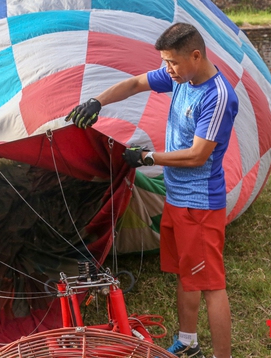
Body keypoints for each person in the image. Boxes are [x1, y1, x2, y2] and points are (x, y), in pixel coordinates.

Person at [66, 23, 238, 358]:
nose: (167, 69)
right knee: (187, 277)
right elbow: (133, 83)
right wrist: (96, 102)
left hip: (199, 207)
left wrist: (147, 158)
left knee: (212, 286)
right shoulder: (180, 76)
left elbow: (198, 155)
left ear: (196, 56)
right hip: (177, 198)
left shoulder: (217, 97)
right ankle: (188, 342)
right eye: (165, 62)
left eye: (172, 62)